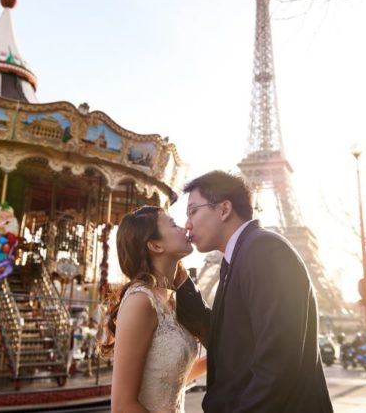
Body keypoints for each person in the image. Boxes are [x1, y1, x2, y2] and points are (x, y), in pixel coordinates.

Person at [176, 170, 333, 412]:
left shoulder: (265, 251)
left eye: (193, 211)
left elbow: (278, 364)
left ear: (224, 209)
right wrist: (177, 274)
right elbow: (228, 340)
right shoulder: (240, 257)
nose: (187, 223)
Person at [102, 206, 207, 413]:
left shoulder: (171, 298)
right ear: (155, 245)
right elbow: (123, 406)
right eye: (173, 224)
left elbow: (169, 377)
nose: (185, 228)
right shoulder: (140, 301)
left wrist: (226, 354)